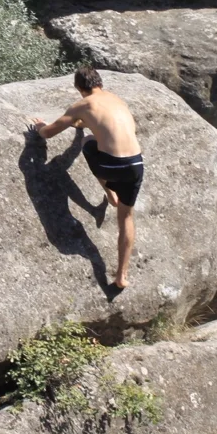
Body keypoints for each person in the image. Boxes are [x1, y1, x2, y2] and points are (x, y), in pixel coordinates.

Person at [32, 66, 144, 289]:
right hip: (135, 163)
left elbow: (49, 133)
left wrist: (39, 128)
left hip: (110, 165)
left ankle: (110, 193)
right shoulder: (118, 101)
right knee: (126, 218)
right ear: (100, 83)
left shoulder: (83, 104)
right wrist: (82, 124)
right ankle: (122, 276)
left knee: (88, 143)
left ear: (79, 88)